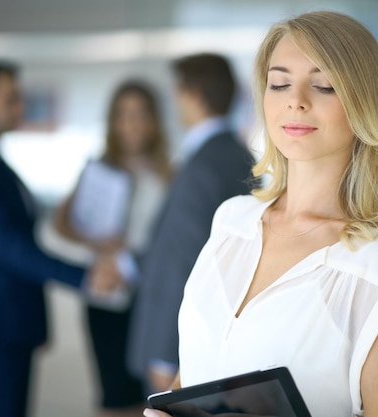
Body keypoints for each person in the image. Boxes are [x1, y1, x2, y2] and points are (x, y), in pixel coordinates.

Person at [143, 11, 378, 417]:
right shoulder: (231, 221)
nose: (295, 99)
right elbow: (193, 374)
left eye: (324, 85)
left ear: (365, 104)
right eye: (279, 83)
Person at [0, 60, 119, 417]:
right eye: (11, 99)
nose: (20, 108)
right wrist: (83, 276)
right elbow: (9, 246)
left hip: (8, 326)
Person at [127, 53, 256, 394]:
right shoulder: (242, 158)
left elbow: (183, 261)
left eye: (177, 93)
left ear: (193, 95)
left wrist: (166, 355)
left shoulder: (203, 164)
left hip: (179, 347)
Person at [52, 80, 171, 417]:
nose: (132, 123)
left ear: (154, 121)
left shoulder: (169, 173)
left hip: (153, 298)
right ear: (113, 121)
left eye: (140, 114)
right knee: (114, 394)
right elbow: (61, 223)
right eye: (123, 114)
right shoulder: (98, 169)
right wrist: (94, 241)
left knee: (154, 395)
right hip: (107, 294)